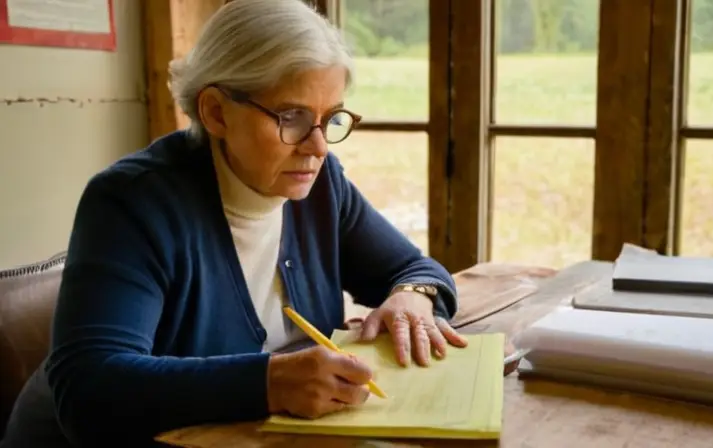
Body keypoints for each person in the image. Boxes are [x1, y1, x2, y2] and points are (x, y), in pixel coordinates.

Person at [1, 1, 469, 446]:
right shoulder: (132, 203)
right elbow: (87, 391)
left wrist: (412, 297)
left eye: (331, 118)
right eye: (292, 117)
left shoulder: (322, 185)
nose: (318, 147)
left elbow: (416, 270)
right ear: (216, 112)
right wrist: (268, 382)